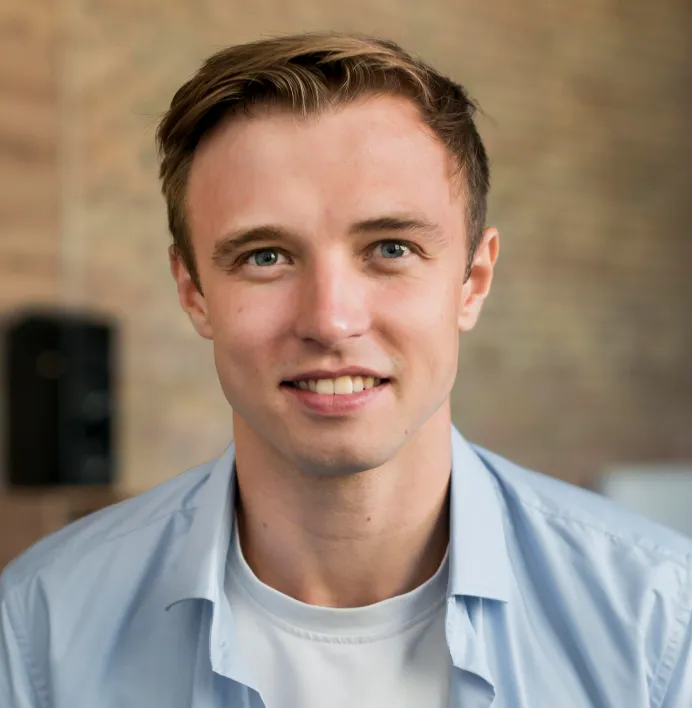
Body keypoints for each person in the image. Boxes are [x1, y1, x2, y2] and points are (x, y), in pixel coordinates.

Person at [1, 30, 690, 708]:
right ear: (193, 292)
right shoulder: (41, 627)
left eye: (390, 247)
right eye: (265, 256)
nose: (330, 321)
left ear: (473, 281)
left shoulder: (661, 620)